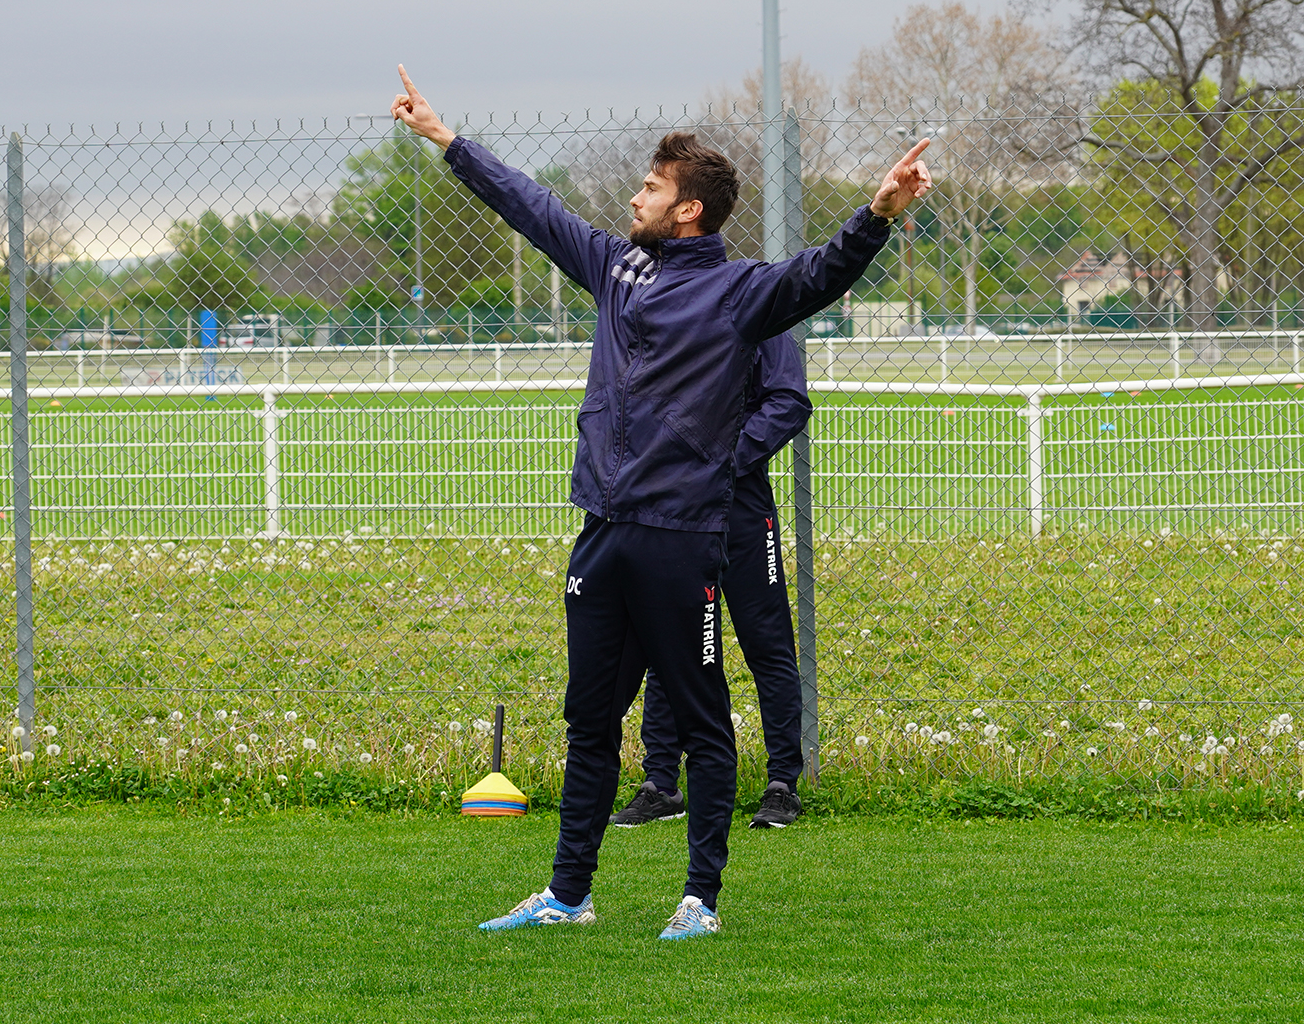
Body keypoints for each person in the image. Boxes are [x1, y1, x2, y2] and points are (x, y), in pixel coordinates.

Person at [391, 66, 930, 940]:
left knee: (703, 717)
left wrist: (878, 213)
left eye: (650, 187)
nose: (634, 197)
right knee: (589, 719)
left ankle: (700, 901)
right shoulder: (616, 267)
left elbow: (823, 274)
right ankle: (568, 895)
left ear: (689, 209)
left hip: (684, 541)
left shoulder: (740, 291)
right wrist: (447, 140)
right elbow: (532, 207)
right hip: (602, 534)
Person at [611, 332, 812, 831]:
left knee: (766, 644)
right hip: (675, 509)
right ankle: (661, 784)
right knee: (670, 643)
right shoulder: (658, 311)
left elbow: (788, 401)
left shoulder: (754, 307)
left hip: (741, 505)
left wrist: (724, 459)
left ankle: (782, 784)